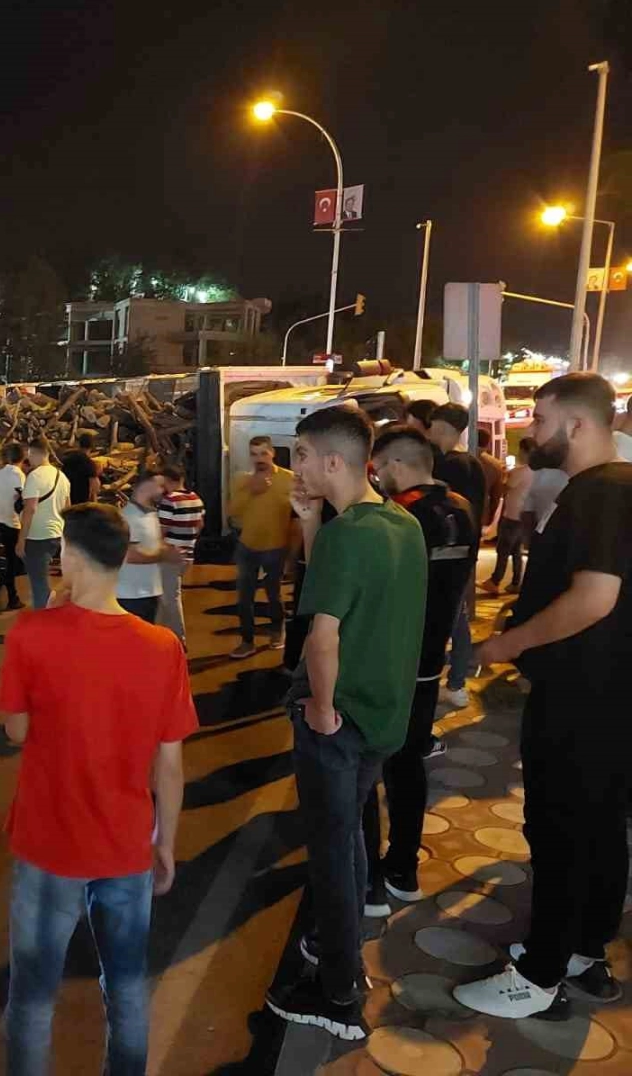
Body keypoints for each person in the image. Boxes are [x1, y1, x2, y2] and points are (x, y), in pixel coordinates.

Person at [455, 373, 631, 1018]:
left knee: (561, 831)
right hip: (608, 696)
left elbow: (594, 598)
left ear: (577, 425)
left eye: (539, 419)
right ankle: (584, 952)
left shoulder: (600, 492)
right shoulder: (617, 487)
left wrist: (505, 645)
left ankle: (538, 974)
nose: (531, 431)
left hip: (581, 696)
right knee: (599, 828)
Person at [0, 503, 195, 1075]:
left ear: (69, 555)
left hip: (49, 842)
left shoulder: (32, 632)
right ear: (120, 559)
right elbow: (170, 765)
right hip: (127, 844)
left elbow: (16, 731)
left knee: (33, 997)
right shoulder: (162, 646)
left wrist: (50, 617)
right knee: (127, 989)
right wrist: (165, 843)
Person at [266, 405, 425, 1042]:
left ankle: (338, 994)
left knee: (332, 854)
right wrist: (311, 524)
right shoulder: (399, 523)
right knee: (350, 837)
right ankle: (336, 941)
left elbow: (322, 633)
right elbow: (340, 589)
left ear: (333, 461)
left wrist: (321, 707)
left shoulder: (347, 535)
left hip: (342, 717)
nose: (294, 467)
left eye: (301, 455)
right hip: (385, 715)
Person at [359, 426, 475, 915]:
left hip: (388, 660)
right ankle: (403, 868)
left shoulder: (398, 515)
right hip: (429, 660)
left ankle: (367, 881)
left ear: (395, 465)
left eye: (377, 468)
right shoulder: (462, 510)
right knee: (408, 765)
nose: (376, 476)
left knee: (365, 767)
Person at [427, 403, 486, 708]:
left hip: (445, 556)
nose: (429, 434)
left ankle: (452, 682)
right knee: (457, 617)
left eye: (432, 428)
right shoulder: (474, 464)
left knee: (449, 619)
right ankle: (457, 682)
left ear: (443, 428)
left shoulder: (447, 465)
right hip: (466, 552)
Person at [228, 435, 294, 658]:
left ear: (272, 453)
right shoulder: (242, 480)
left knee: (273, 594)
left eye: (264, 453)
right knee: (244, 598)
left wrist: (292, 553)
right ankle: (247, 641)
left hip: (276, 547)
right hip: (247, 546)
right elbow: (233, 512)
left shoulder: (288, 479)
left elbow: (296, 516)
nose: (259, 459)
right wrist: (251, 491)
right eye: (254, 454)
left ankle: (277, 631)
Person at [16, 438, 70, 609]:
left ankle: (43, 617)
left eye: (29, 454)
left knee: (38, 584)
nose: (28, 459)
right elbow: (67, 508)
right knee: (41, 580)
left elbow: (30, 509)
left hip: (37, 535)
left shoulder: (35, 476)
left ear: (34, 453)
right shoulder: (61, 476)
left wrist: (21, 539)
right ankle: (49, 605)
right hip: (56, 533)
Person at [154, 464, 203, 644]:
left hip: (170, 555)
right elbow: (200, 525)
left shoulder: (169, 501)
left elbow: (161, 531)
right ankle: (159, 634)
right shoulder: (196, 498)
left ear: (168, 480)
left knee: (171, 598)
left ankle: (179, 639)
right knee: (166, 596)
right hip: (187, 554)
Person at [116, 472, 174, 625]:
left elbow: (153, 545)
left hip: (148, 591)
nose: (165, 490)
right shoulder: (129, 516)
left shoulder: (150, 514)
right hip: (131, 595)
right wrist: (163, 555)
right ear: (146, 485)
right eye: (160, 485)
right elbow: (130, 555)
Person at [482, 438, 533, 595]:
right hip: (525, 516)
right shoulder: (539, 472)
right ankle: (516, 582)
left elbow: (505, 488)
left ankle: (495, 581)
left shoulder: (520, 472)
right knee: (516, 551)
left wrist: (506, 476)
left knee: (503, 550)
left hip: (512, 515)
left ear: (524, 451)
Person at [0, 441, 27, 610]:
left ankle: (11, 596)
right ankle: (2, 593)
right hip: (14, 521)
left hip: (1, 518)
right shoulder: (18, 475)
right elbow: (22, 498)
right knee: (15, 563)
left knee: (12, 561)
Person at [476, 429, 507, 536]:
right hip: (481, 510)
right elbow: (496, 495)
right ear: (487, 443)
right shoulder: (495, 465)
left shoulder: (461, 458)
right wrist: (491, 516)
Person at [61, 431, 102, 506]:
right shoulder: (89, 463)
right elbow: (95, 487)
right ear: (92, 446)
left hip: (67, 500)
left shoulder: (68, 460)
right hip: (82, 503)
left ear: (79, 444)